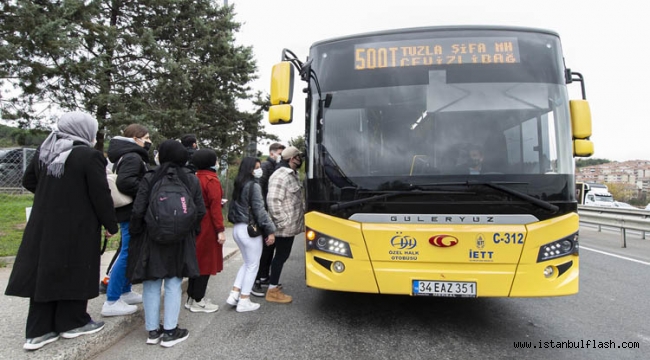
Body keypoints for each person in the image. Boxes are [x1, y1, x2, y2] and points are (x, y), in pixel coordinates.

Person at [5, 111, 119, 351]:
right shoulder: (89, 156)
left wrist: (53, 197)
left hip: (44, 224)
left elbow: (29, 181)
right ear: (86, 130)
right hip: (78, 225)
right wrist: (110, 224)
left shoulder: (46, 152)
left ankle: (39, 330)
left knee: (45, 270)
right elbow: (100, 195)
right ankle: (73, 322)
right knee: (76, 268)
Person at [128, 139, 206, 347]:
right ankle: (171, 331)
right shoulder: (191, 179)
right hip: (181, 239)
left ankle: (152, 331)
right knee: (173, 283)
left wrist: (137, 231)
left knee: (151, 282)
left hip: (152, 237)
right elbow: (200, 210)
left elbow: (138, 209)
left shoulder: (151, 177)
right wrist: (188, 229)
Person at [101, 124, 151, 317]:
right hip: (131, 212)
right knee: (127, 252)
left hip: (129, 211)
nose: (148, 141)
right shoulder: (132, 156)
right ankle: (112, 300)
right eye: (145, 138)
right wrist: (146, 189)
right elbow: (126, 182)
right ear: (135, 138)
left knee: (131, 252)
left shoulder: (126, 155)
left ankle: (125, 290)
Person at [226, 157, 276, 312]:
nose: (258, 170)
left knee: (247, 263)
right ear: (249, 169)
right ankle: (244, 300)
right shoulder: (253, 186)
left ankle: (234, 294)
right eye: (256, 167)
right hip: (250, 230)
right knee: (253, 265)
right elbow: (260, 211)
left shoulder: (239, 185)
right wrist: (270, 230)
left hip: (237, 229)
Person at [184, 149, 225, 313]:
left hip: (195, 221)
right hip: (208, 224)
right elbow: (215, 207)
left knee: (197, 260)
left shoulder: (194, 177)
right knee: (206, 262)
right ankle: (198, 300)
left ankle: (192, 297)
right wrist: (220, 230)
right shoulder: (211, 180)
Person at [265, 146, 305, 304]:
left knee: (281, 256)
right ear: (292, 159)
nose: (300, 160)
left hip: (289, 226)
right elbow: (273, 201)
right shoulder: (281, 175)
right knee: (280, 256)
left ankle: (273, 285)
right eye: (298, 157)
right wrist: (284, 222)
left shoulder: (292, 174)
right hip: (284, 227)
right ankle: (272, 290)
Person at [252, 142, 285, 297]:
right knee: (265, 249)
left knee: (270, 248)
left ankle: (264, 276)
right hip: (265, 214)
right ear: (272, 153)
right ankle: (256, 280)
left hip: (268, 214)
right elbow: (261, 190)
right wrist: (264, 212)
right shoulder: (266, 167)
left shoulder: (276, 167)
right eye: (279, 152)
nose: (281, 155)